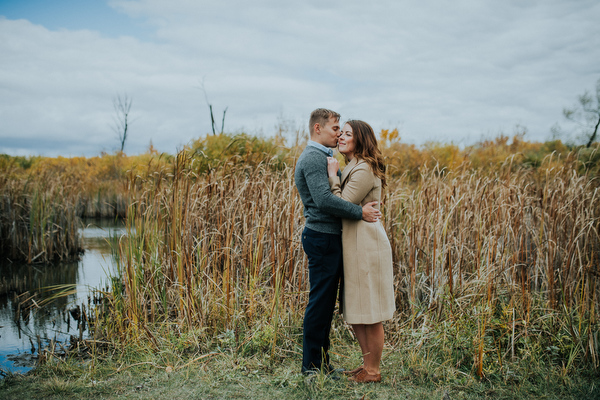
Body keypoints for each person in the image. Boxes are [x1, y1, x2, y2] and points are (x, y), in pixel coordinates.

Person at [294, 108, 382, 375]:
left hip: (329, 237)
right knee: (319, 304)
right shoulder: (313, 158)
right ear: (318, 129)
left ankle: (322, 363)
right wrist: (361, 212)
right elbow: (325, 200)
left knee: (324, 305)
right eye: (335, 129)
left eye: (344, 131)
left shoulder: (326, 157)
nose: (339, 134)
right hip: (322, 237)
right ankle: (311, 368)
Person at [326, 120, 395, 383]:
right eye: (340, 133)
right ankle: (366, 366)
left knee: (371, 312)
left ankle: (374, 371)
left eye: (347, 134)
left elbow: (341, 204)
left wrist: (332, 175)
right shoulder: (353, 166)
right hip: (353, 244)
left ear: (361, 139)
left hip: (367, 245)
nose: (341, 137)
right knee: (357, 310)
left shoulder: (365, 168)